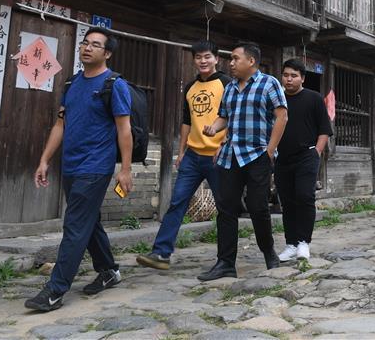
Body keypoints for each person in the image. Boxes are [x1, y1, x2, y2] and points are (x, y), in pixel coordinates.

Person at [25, 27, 132, 312]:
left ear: (107, 53)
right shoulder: (72, 84)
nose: (87, 48)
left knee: (74, 226)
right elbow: (61, 125)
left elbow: (124, 130)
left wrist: (125, 169)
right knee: (87, 222)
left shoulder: (114, 85)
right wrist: (45, 159)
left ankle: (55, 290)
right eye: (85, 43)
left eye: (95, 45)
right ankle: (109, 270)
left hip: (95, 166)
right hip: (70, 165)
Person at [136, 40, 230, 271]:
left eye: (207, 56)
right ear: (194, 60)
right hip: (193, 156)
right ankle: (161, 253)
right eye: (198, 57)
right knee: (177, 202)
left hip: (218, 157)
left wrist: (225, 143)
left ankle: (226, 258)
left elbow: (235, 116)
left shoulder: (227, 83)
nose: (203, 61)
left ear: (216, 58)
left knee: (225, 207)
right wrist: (181, 152)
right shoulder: (190, 87)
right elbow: (187, 121)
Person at [198, 43, 288, 280]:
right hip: (230, 155)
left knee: (258, 207)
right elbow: (223, 118)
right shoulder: (229, 88)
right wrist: (213, 128)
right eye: (231, 59)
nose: (231, 62)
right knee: (226, 208)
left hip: (258, 154)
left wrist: (270, 150)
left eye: (236, 59)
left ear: (251, 61)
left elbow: (282, 117)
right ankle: (225, 262)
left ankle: (269, 253)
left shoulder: (269, 83)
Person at [275, 58, 333, 262]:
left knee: (305, 196)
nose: (289, 79)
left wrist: (316, 152)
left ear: (302, 78)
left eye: (294, 76)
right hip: (281, 158)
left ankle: (303, 242)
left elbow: (325, 129)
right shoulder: (277, 99)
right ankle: (290, 244)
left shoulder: (314, 98)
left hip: (306, 156)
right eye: (286, 75)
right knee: (287, 201)